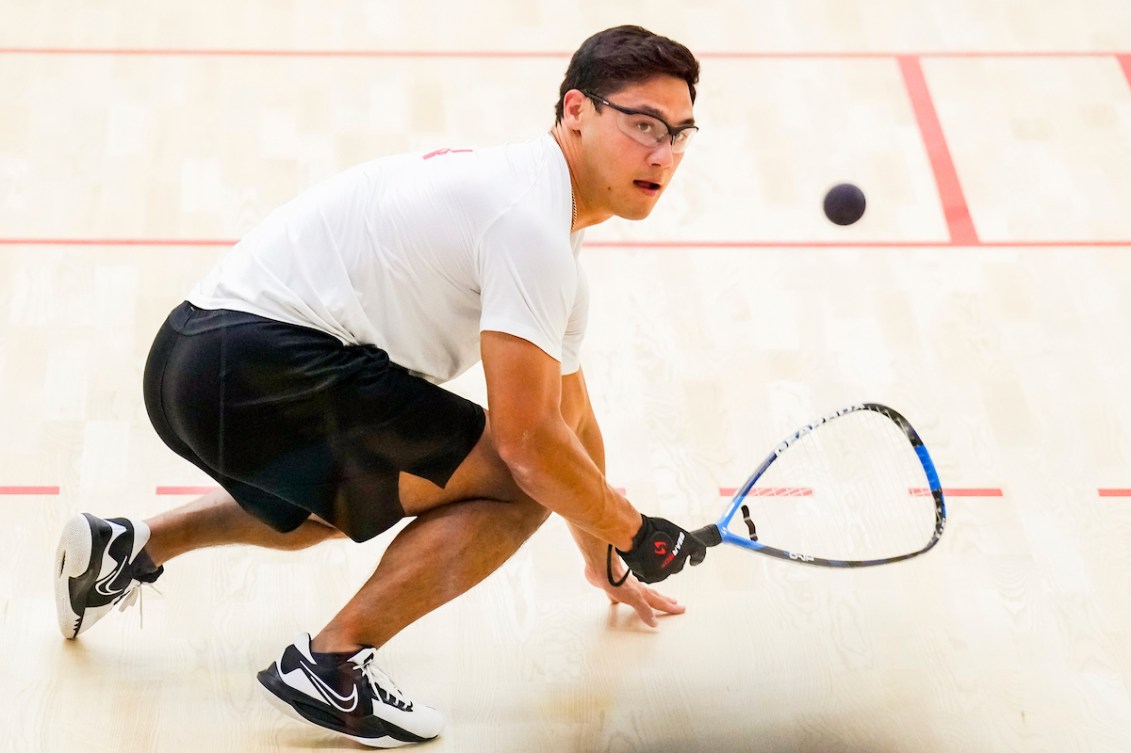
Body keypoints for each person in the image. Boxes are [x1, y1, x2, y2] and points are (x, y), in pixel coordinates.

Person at [53, 24, 708, 749]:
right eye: (642, 124)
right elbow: (530, 449)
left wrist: (608, 559)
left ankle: (127, 546)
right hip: (254, 362)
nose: (662, 153)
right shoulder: (528, 229)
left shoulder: (538, 219)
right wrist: (633, 528)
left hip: (191, 359)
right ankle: (330, 665)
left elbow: (571, 421)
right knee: (515, 483)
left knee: (362, 492)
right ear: (576, 110)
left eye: (679, 133)